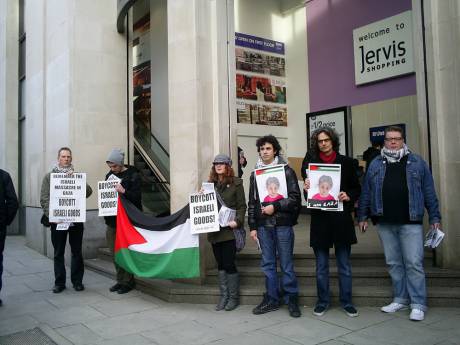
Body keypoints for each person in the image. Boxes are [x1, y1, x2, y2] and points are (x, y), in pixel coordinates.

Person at [358, 126, 441, 321]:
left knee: (413, 263)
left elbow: (429, 191)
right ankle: (400, 298)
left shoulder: (417, 162)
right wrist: (362, 216)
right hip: (384, 221)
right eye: (389, 139)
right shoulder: (376, 163)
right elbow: (367, 191)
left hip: (410, 221)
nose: (393, 142)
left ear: (403, 140)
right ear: (384, 141)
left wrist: (435, 217)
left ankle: (418, 303)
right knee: (394, 263)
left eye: (397, 138)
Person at [302, 127, 361, 317]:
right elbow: (309, 195)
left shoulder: (348, 163)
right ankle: (323, 301)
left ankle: (347, 302)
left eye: (326, 140)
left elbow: (356, 188)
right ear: (316, 144)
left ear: (333, 141)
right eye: (320, 141)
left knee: (344, 265)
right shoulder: (311, 165)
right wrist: (306, 187)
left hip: (341, 219)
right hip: (320, 221)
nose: (323, 143)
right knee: (321, 266)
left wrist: (348, 195)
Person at [248, 135, 302, 318]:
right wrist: (252, 226)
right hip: (263, 226)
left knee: (286, 264)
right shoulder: (254, 174)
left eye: (268, 148)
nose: (264, 152)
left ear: (275, 150)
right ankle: (272, 298)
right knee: (268, 264)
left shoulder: (286, 171)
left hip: (282, 225)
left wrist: (276, 206)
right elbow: (252, 203)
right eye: (262, 149)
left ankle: (291, 299)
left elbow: (295, 199)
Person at [40, 147, 92, 293]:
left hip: (75, 221)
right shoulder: (49, 177)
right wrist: (52, 217)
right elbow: (44, 198)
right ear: (58, 158)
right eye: (63, 157)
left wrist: (77, 179)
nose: (66, 159)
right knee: (58, 253)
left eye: (68, 157)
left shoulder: (76, 175)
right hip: (58, 221)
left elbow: (88, 192)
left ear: (71, 158)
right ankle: (59, 283)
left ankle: (77, 282)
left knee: (76, 251)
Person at [207, 154, 246, 311]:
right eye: (216, 163)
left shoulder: (236, 183)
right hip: (215, 231)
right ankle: (224, 296)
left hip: (229, 231)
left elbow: (242, 206)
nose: (218, 165)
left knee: (229, 264)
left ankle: (233, 298)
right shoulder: (209, 185)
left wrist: (238, 221)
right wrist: (202, 195)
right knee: (221, 264)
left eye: (222, 163)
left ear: (228, 165)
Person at [104, 148, 142, 294]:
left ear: (120, 163)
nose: (112, 169)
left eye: (114, 166)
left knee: (125, 253)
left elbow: (137, 198)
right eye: (110, 166)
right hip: (112, 221)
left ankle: (128, 281)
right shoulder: (109, 175)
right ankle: (120, 280)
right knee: (115, 253)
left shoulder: (133, 175)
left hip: (126, 221)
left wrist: (124, 191)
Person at [0, 169, 19, 306]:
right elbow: (13, 202)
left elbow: (13, 203)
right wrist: (4, 221)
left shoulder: (3, 176)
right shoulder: (3, 175)